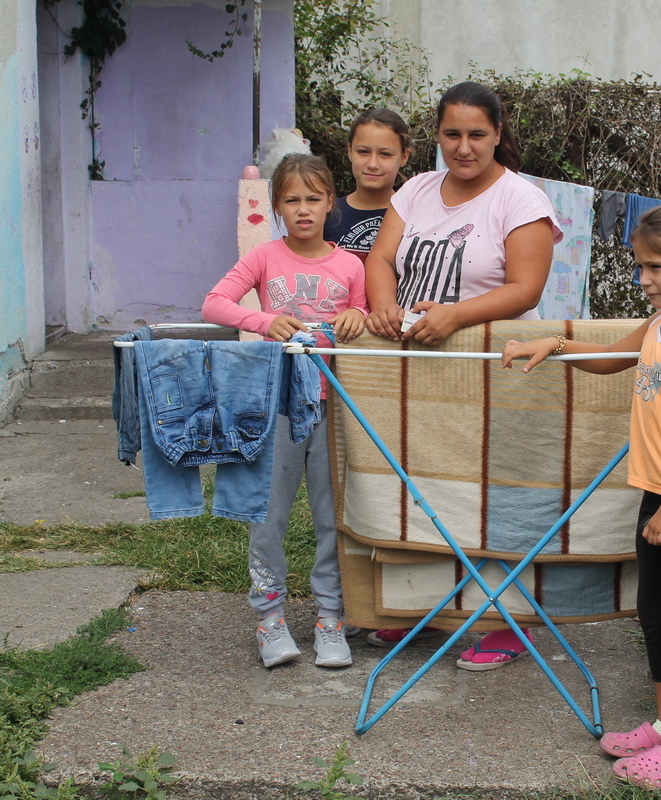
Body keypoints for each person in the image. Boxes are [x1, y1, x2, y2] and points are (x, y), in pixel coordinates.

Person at [502, 202, 661, 790]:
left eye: (655, 267)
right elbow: (612, 357)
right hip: (659, 493)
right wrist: (554, 345)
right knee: (655, 616)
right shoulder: (660, 325)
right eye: (640, 266)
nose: (643, 279)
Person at [363, 80, 562, 668]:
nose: (464, 146)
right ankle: (424, 608)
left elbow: (526, 288)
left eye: (477, 134)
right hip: (418, 371)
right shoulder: (417, 190)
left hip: (496, 370)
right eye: (452, 134)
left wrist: (455, 315)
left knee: (497, 496)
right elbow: (380, 258)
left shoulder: (520, 200)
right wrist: (384, 304)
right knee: (425, 490)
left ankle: (507, 623)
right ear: (437, 135)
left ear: (498, 134)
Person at [202, 153, 368, 669]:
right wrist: (262, 320)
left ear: (330, 203)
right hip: (274, 406)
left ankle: (331, 618)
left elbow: (363, 314)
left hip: (331, 407)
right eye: (291, 200)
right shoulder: (264, 257)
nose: (303, 209)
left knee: (332, 516)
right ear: (277, 207)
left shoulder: (351, 265)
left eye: (313, 199)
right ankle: (269, 617)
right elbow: (214, 303)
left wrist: (357, 315)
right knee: (268, 514)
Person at [323, 108, 412, 264]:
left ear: (404, 156)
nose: (372, 164)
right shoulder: (326, 214)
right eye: (363, 152)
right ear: (350, 151)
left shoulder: (414, 216)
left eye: (385, 154)